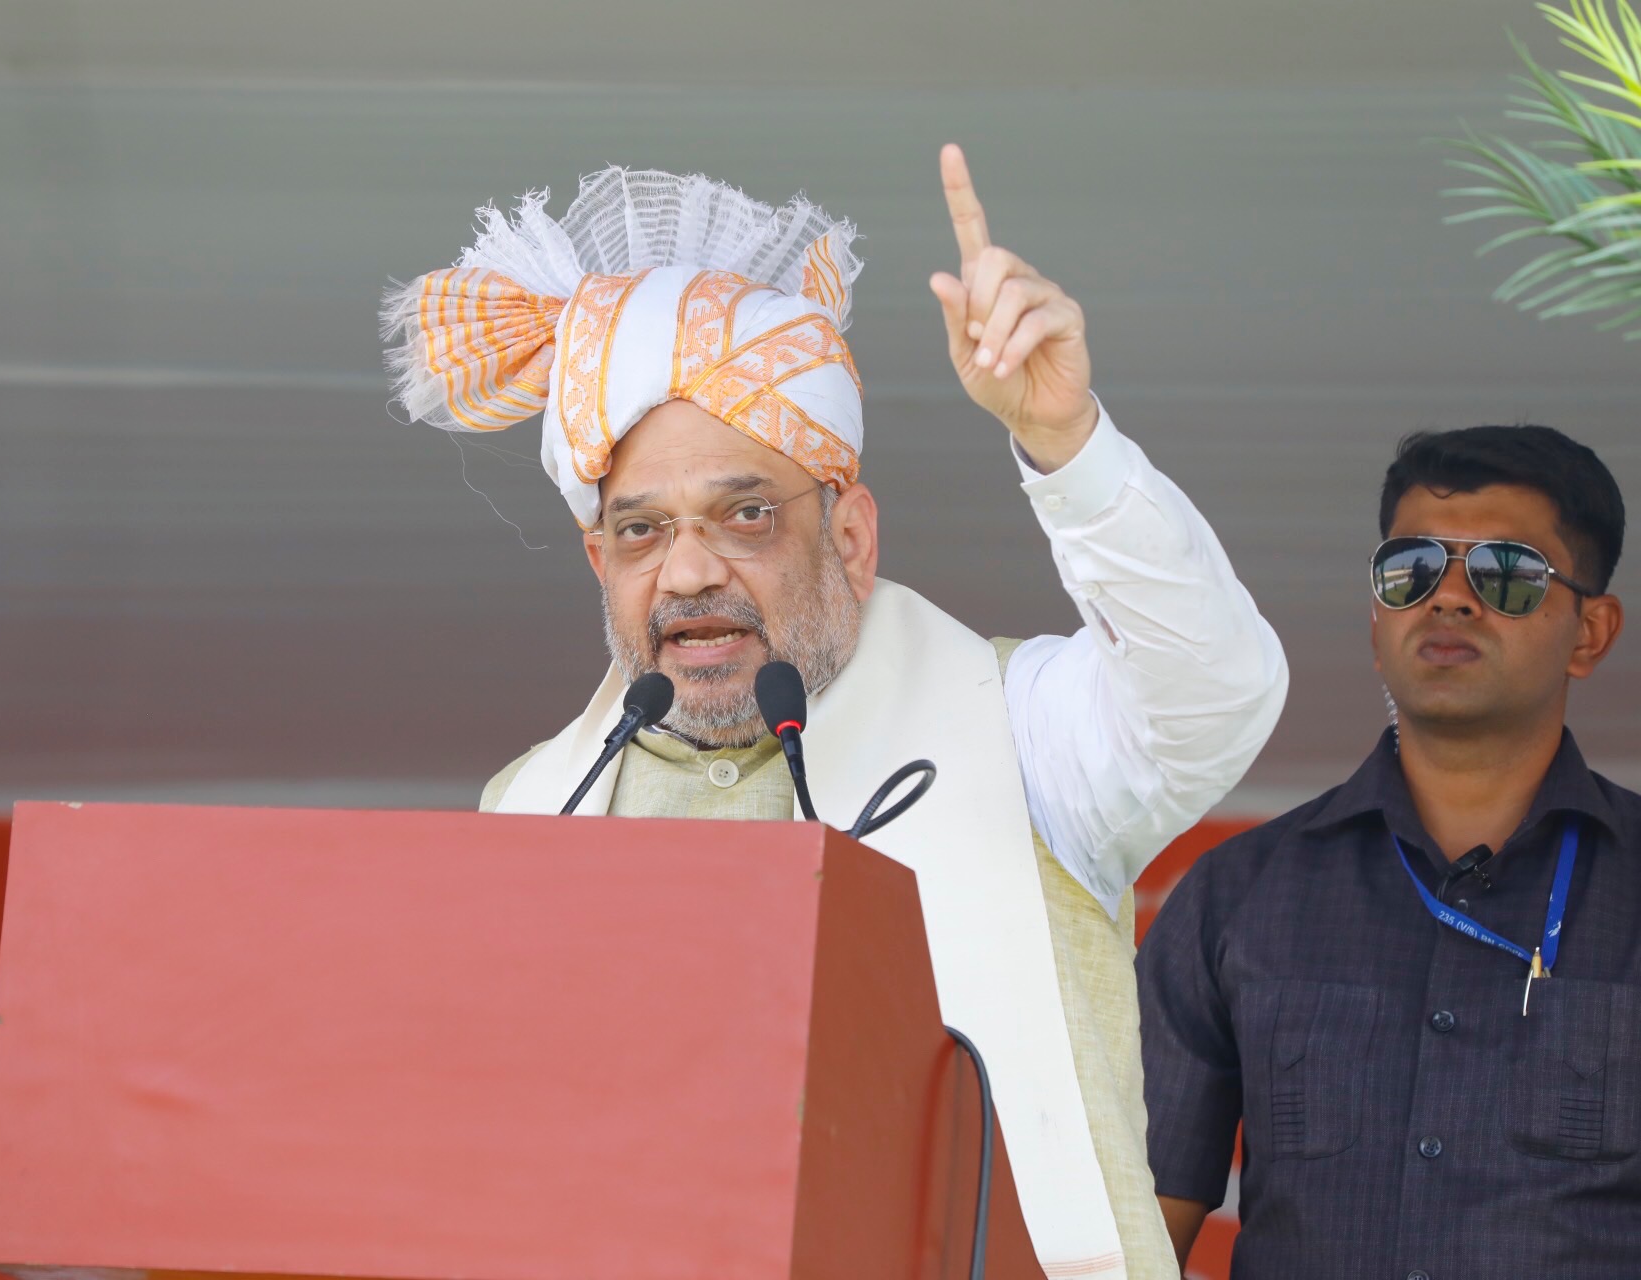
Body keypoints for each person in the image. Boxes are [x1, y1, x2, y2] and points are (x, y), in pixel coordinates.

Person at [381, 148, 1286, 1280]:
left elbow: (1217, 690)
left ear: (849, 536)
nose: (689, 572)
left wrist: (1070, 444)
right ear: (596, 556)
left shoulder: (1020, 728)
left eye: (746, 513)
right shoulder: (532, 801)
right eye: (641, 530)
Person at [1137, 425, 1635, 1279]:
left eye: (1505, 575)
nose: (1448, 599)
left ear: (1590, 633)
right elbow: (1133, 1234)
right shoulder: (1237, 897)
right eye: (1412, 570)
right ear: (1378, 620)